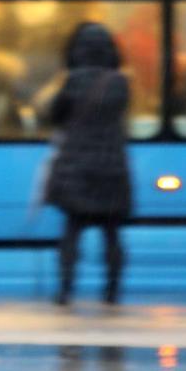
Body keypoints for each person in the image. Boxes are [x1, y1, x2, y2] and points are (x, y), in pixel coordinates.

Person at [45, 23, 131, 306]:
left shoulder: (73, 80)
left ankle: (66, 290)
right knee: (111, 233)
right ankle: (112, 291)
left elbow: (54, 115)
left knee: (72, 230)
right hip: (111, 167)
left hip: (77, 166)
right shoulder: (119, 82)